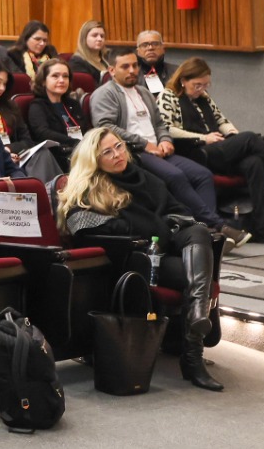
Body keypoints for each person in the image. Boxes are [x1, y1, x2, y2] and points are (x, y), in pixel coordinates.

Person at [57, 127, 224, 391]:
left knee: (199, 231)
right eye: (107, 152)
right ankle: (193, 354)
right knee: (193, 276)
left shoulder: (144, 177)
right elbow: (86, 230)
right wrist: (151, 227)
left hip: (168, 243)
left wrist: (164, 226)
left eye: (119, 147)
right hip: (139, 257)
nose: (117, 155)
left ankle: (194, 326)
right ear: (94, 160)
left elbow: (178, 210)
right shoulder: (89, 188)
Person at [156, 58, 264, 249]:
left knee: (255, 162)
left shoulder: (204, 98)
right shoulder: (168, 96)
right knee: (251, 139)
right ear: (183, 80)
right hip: (195, 152)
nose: (202, 89)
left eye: (205, 85)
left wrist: (231, 132)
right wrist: (203, 138)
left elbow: (222, 120)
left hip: (218, 148)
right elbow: (168, 128)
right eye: (197, 85)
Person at [89, 47, 243, 245]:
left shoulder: (143, 92)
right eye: (125, 66)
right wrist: (146, 144)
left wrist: (165, 140)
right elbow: (106, 128)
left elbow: (161, 124)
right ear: (111, 71)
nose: (132, 71)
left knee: (203, 175)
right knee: (175, 176)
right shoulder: (105, 94)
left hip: (159, 149)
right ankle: (216, 225)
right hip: (133, 151)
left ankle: (209, 230)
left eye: (135, 65)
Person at [0, 55, 61, 181]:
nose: (2, 88)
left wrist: (9, 149)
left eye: (4, 84)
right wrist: (4, 153)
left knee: (42, 153)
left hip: (17, 157)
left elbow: (26, 141)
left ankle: (53, 193)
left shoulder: (10, 106)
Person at [27, 59, 88, 165]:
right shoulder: (37, 106)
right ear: (43, 81)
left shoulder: (73, 104)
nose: (62, 80)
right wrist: (75, 143)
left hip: (83, 151)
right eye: (55, 76)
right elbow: (43, 133)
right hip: (58, 156)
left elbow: (86, 128)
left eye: (65, 76)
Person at [9, 20, 55, 86]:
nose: (42, 43)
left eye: (45, 40)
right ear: (26, 38)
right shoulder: (14, 55)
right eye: (37, 39)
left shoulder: (50, 52)